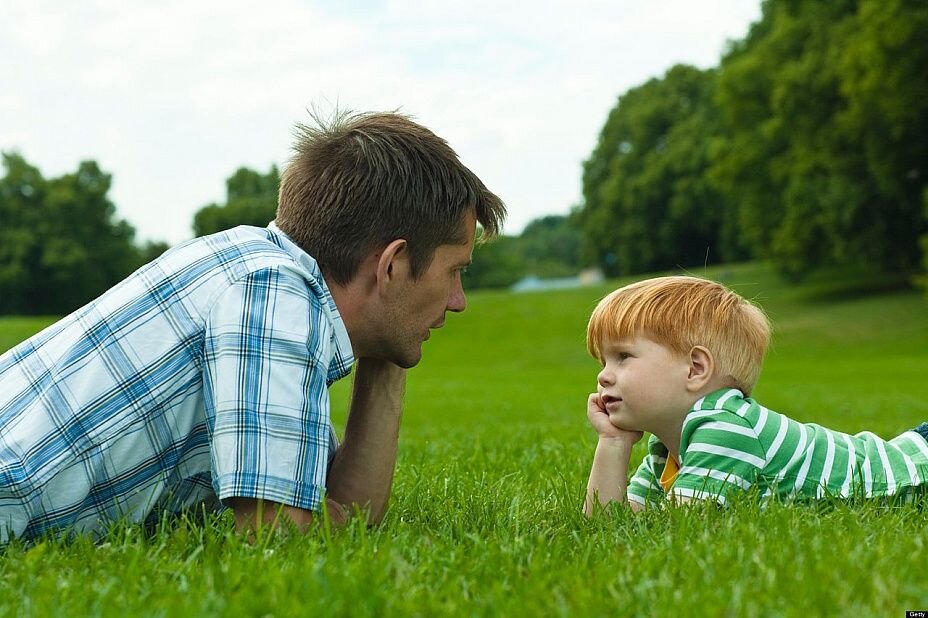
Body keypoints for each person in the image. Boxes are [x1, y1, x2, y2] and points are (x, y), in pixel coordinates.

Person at [0, 110, 506, 543]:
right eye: (454, 271)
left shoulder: (258, 269)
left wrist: (388, 355)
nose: (458, 301)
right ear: (393, 265)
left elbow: (343, 510)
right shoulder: (273, 294)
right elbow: (276, 534)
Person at [583, 275, 928, 514]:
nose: (603, 375)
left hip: (918, 471)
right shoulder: (667, 449)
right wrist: (613, 443)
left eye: (623, 357)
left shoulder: (727, 429)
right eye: (604, 360)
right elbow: (612, 529)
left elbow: (675, 532)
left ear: (695, 369)